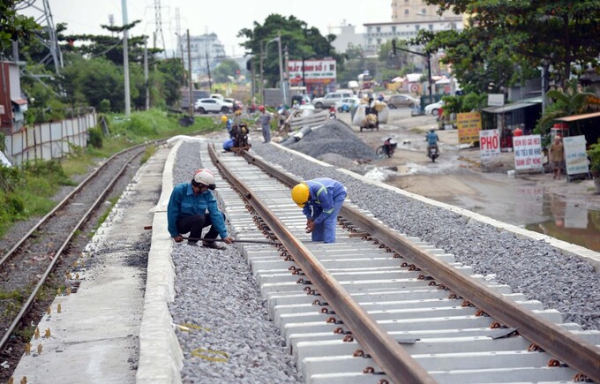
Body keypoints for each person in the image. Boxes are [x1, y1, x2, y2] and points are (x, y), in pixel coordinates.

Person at [167, 169, 234, 249]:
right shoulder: (179, 190)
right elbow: (172, 212)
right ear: (200, 185)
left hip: (198, 220)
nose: (207, 190)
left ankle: (208, 241)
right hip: (182, 224)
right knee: (199, 218)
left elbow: (215, 213)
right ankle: (192, 242)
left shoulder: (206, 194)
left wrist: (224, 235)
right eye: (206, 187)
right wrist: (174, 234)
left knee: (220, 215)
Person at [291, 178, 347, 243]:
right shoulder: (303, 192)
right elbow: (305, 205)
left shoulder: (321, 191)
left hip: (337, 194)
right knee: (316, 218)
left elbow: (328, 210)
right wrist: (309, 218)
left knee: (329, 219)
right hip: (321, 197)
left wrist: (314, 223)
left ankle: (329, 243)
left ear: (309, 195)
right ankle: (317, 241)